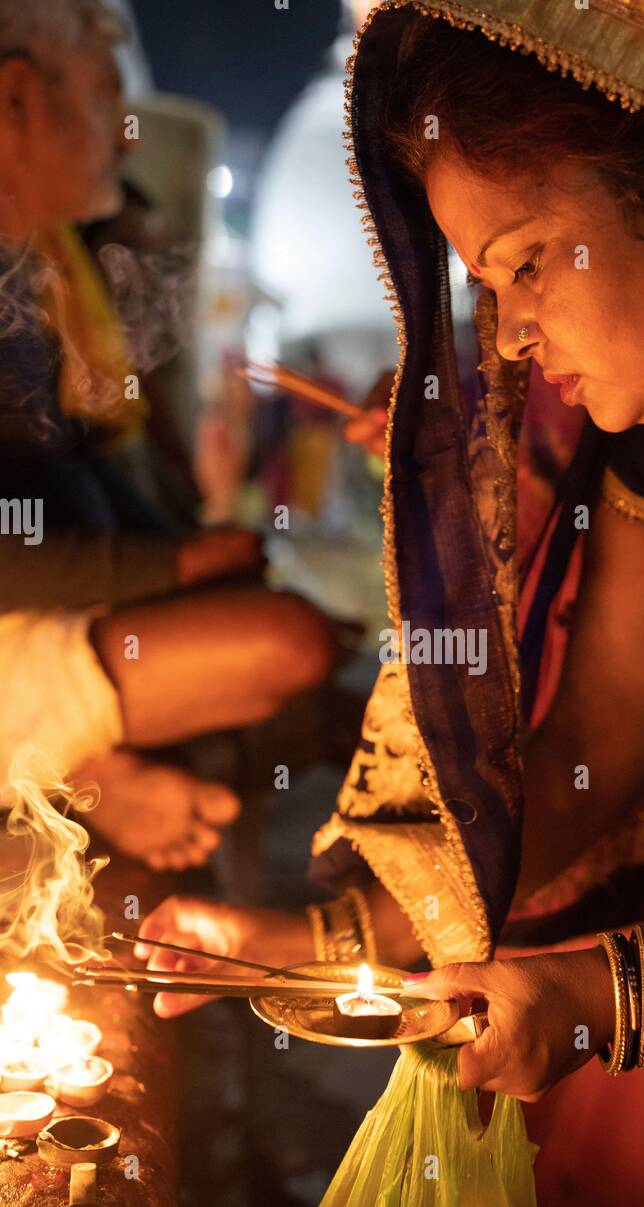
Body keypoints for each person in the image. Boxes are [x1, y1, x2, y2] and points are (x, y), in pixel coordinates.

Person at [136, 0, 644, 1207]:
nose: (513, 337)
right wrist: (331, 937)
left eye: (528, 260)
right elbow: (589, 744)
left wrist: (604, 990)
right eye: (484, 286)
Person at [0, 0, 340, 869]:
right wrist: (173, 567)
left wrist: (191, 551)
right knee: (282, 641)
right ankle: (87, 769)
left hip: (56, 601)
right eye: (106, 95)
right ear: (14, 104)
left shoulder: (49, 274)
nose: (124, 138)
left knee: (287, 626)